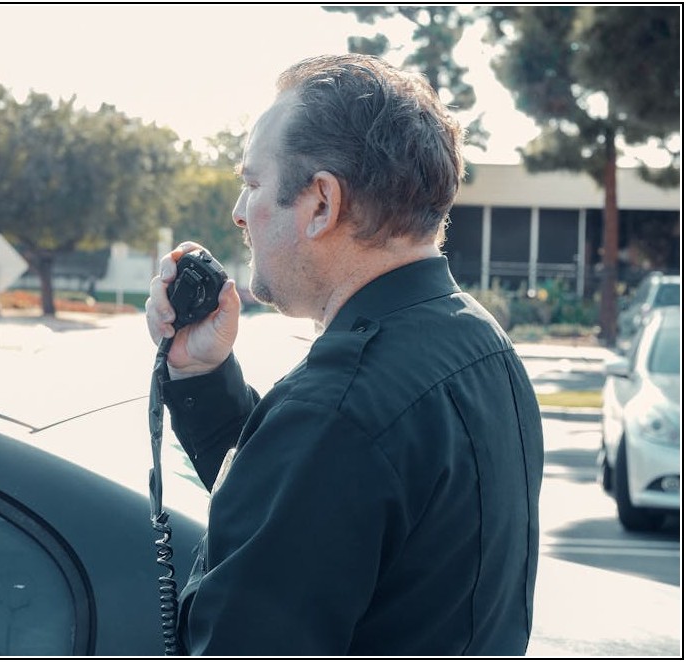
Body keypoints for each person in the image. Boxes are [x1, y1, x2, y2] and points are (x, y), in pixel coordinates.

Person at [145, 54, 543, 656]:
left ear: (323, 203)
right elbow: (317, 511)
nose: (238, 212)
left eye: (252, 183)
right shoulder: (483, 346)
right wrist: (202, 373)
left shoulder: (338, 409)